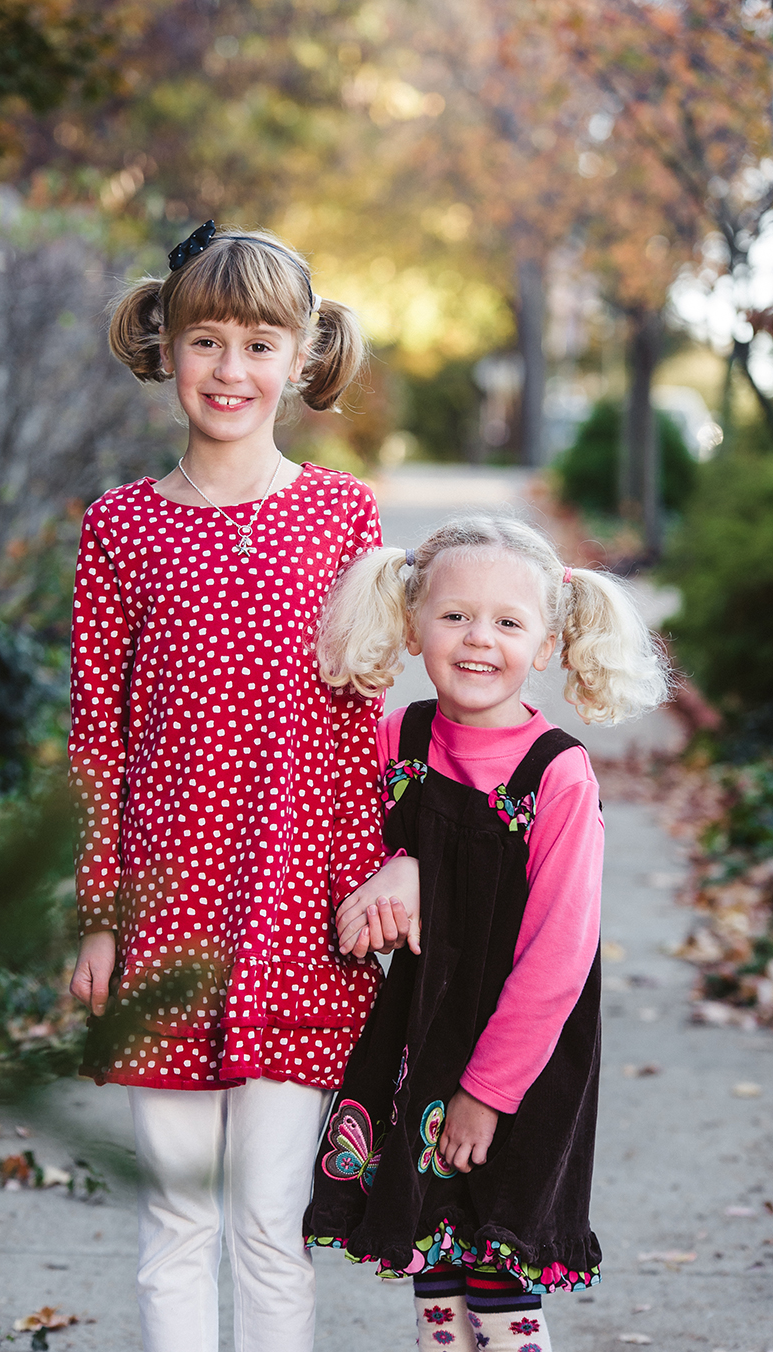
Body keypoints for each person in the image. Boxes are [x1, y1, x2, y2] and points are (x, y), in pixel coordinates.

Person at [67, 220, 415, 1352]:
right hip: (164, 918)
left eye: (260, 344)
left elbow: (365, 720)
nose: (230, 369)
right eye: (206, 340)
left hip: (297, 913)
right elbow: (96, 741)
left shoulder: (343, 517)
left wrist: (381, 872)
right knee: (177, 1220)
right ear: (165, 347)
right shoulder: (121, 526)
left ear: (302, 357)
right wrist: (99, 917)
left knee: (270, 1224)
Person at [304, 513, 670, 1351]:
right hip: (421, 1039)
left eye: (508, 622)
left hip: (519, 1064)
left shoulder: (557, 775)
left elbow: (559, 957)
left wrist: (487, 1093)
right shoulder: (394, 741)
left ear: (546, 646)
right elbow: (343, 862)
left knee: (498, 1270)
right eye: (455, 615)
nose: (479, 639)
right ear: (413, 627)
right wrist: (398, 868)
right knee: (434, 1262)